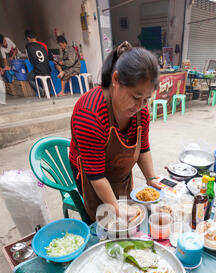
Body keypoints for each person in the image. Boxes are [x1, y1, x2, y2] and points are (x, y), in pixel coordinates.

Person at [69, 41, 161, 222]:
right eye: (136, 97)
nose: (140, 105)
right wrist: (116, 209)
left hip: (119, 172)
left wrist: (151, 179)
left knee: (126, 216)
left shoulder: (141, 110)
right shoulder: (89, 115)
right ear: (116, 79)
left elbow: (143, 148)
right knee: (104, 221)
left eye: (146, 99)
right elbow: (96, 175)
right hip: (92, 175)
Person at [24, 30, 53, 97]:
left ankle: (42, 91)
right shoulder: (42, 45)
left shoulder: (28, 46)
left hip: (38, 70)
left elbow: (31, 60)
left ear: (28, 38)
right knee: (47, 75)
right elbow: (50, 57)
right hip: (48, 70)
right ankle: (48, 92)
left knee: (29, 77)